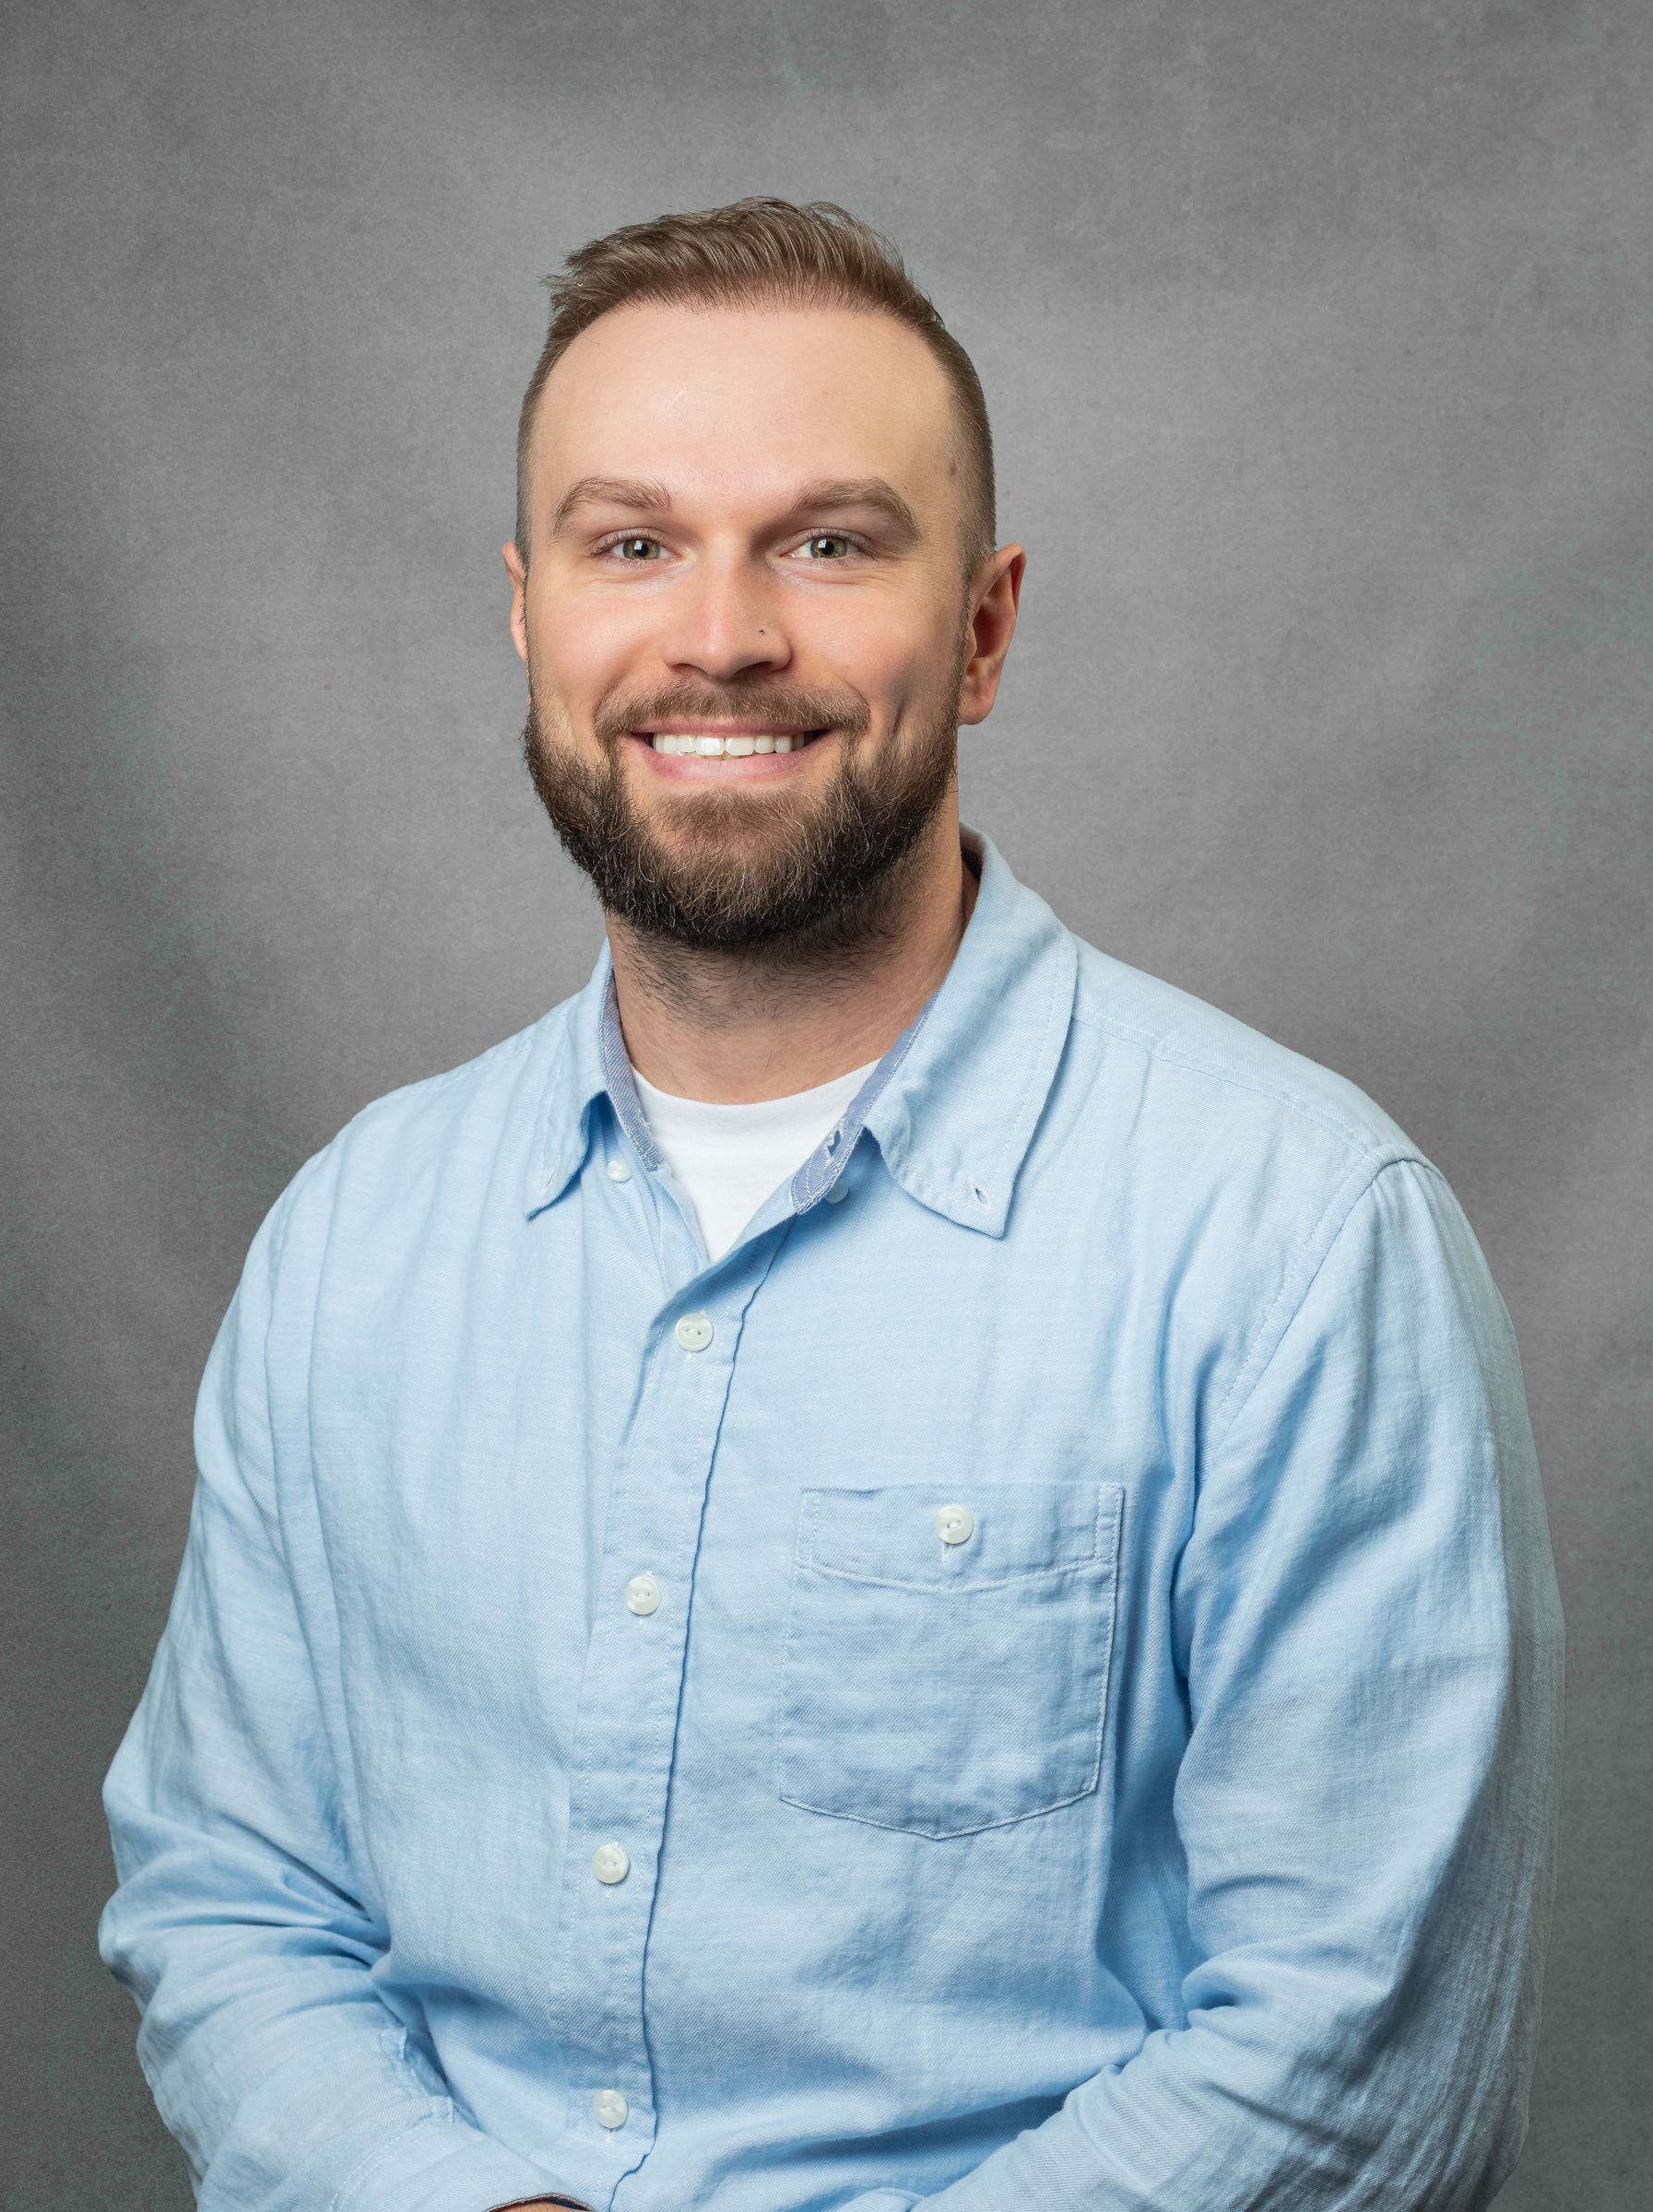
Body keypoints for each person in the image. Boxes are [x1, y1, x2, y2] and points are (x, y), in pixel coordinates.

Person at [99, 198, 1563, 2212]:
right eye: (633, 545)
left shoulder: (1302, 1241)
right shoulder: (356, 1241)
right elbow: (230, 1893)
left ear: (982, 624)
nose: (720, 633)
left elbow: (1357, 2048)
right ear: (529, 616)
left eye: (829, 541)